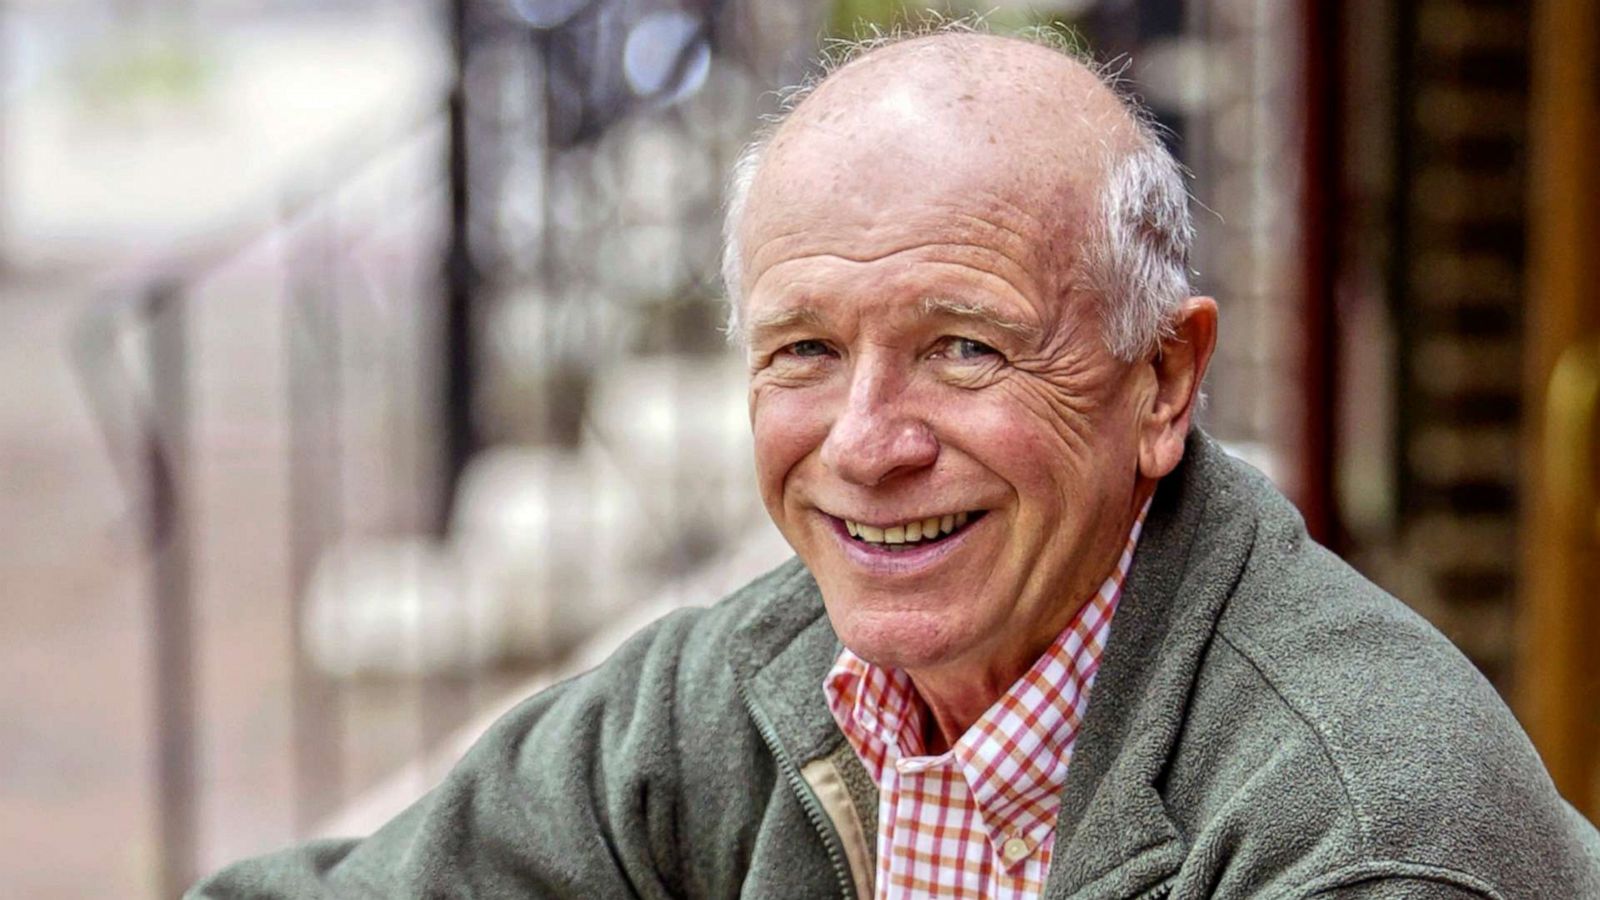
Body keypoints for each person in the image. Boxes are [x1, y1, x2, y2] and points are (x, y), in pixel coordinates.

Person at [189, 25, 1600, 899]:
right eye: (803, 351)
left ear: (1162, 381)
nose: (867, 445)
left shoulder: (1363, 828)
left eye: (965, 349)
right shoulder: (738, 699)